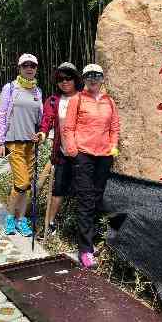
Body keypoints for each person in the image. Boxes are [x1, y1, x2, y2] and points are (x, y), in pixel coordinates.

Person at [62, 63, 120, 269]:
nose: (93, 79)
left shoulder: (109, 101)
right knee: (86, 200)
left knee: (96, 198)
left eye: (97, 75)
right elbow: (67, 128)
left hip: (103, 156)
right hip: (84, 155)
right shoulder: (77, 99)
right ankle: (85, 250)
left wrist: (113, 147)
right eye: (89, 76)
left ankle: (90, 241)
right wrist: (73, 150)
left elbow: (114, 127)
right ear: (84, 79)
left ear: (102, 78)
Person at [0, 54, 42, 236]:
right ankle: (9, 217)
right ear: (19, 68)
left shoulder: (38, 91)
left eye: (33, 66)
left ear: (36, 68)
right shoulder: (10, 88)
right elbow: (1, 114)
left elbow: (39, 119)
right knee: (21, 182)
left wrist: (41, 135)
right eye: (25, 65)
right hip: (14, 143)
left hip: (31, 144)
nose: (29, 69)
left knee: (26, 184)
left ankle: (21, 219)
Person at [36, 62, 83, 237]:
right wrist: (42, 134)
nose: (65, 82)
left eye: (69, 78)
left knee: (84, 190)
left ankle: (83, 228)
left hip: (83, 154)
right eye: (61, 79)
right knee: (58, 189)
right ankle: (50, 225)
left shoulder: (83, 98)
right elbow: (46, 121)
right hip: (62, 152)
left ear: (75, 79)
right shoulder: (53, 100)